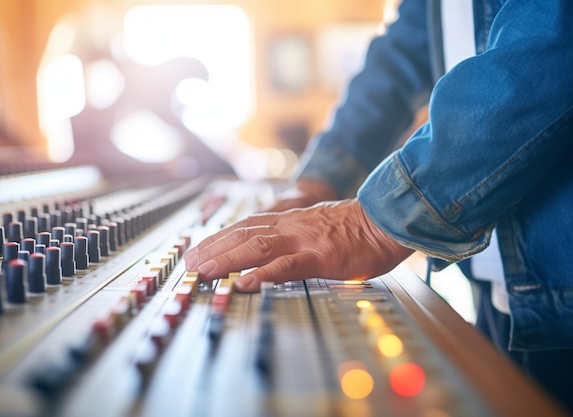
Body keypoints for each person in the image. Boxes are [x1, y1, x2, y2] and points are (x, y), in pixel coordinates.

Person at [185, 0, 573, 413]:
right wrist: (318, 182)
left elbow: (553, 43)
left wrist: (370, 224)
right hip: (506, 296)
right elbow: (402, 52)